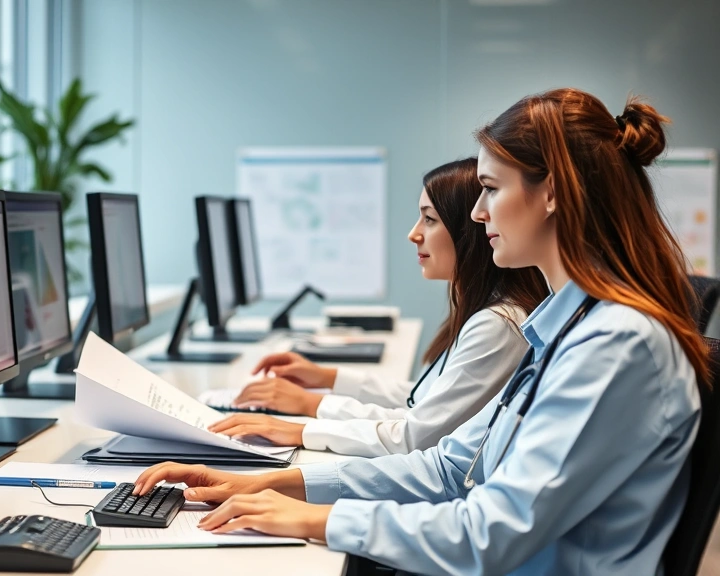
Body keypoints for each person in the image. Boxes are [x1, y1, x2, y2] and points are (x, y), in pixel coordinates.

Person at [135, 89, 708, 574]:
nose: (478, 212)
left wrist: (319, 518)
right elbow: (449, 466)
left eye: (491, 187)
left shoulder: (615, 346)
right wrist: (279, 486)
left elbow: (491, 533)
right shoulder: (567, 329)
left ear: (553, 192)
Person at [208, 158, 548, 456]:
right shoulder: (486, 312)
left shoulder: (498, 325)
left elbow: (416, 434)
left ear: (468, 232)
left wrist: (307, 418)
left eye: (429, 220)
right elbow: (423, 400)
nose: (414, 234)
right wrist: (327, 378)